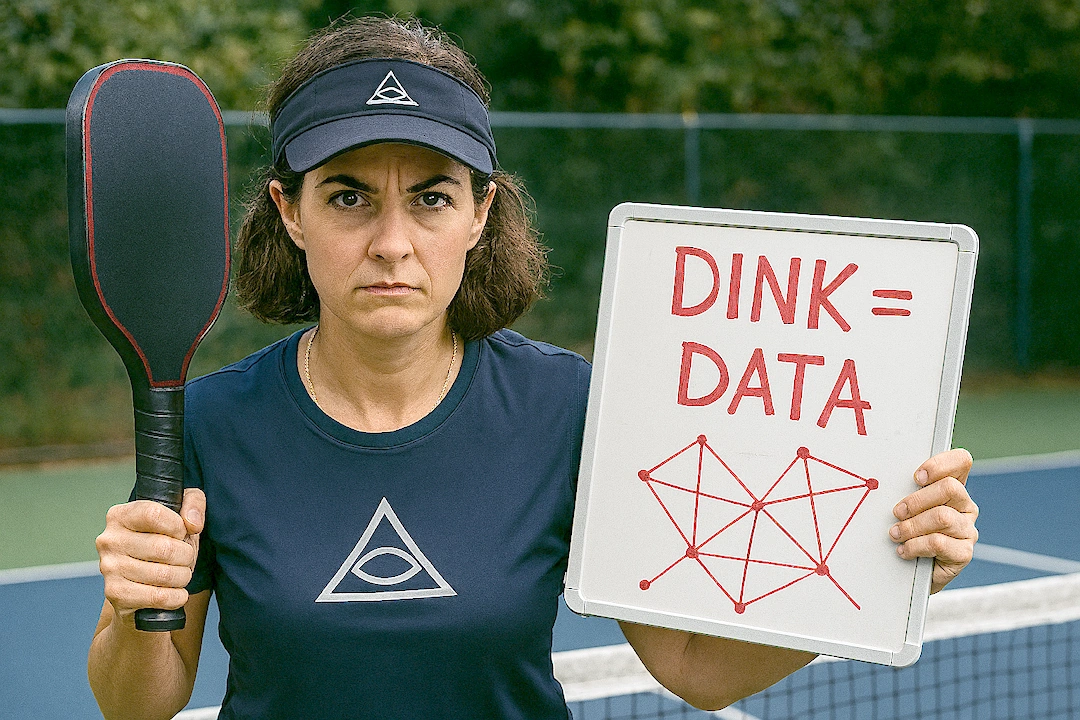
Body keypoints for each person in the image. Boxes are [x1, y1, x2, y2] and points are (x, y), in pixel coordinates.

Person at [87, 16, 980, 720]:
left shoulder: (569, 408)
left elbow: (697, 670)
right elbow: (141, 703)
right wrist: (132, 612)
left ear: (480, 213)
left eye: (432, 197)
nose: (392, 243)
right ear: (289, 210)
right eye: (349, 195)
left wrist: (880, 576)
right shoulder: (210, 422)